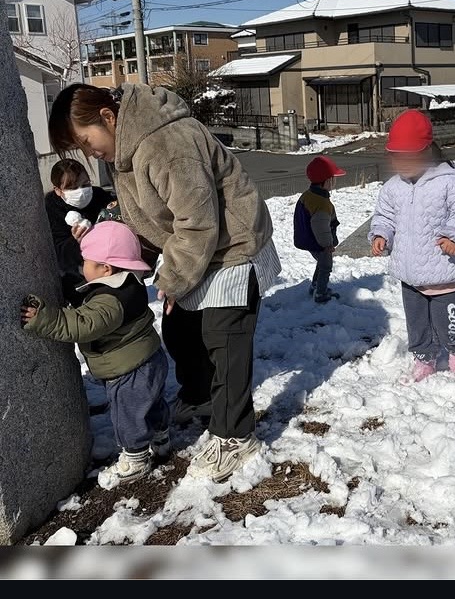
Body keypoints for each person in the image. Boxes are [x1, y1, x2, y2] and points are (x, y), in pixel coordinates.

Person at [48, 83, 281, 483]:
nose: (89, 153)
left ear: (108, 117)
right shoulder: (126, 151)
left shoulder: (167, 141)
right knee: (180, 328)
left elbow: (196, 221)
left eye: (86, 141)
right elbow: (152, 219)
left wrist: (170, 280)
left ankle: (235, 434)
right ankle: (199, 395)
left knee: (224, 338)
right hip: (197, 252)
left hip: (232, 247)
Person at [21, 221, 171, 488]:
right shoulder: (127, 282)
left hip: (128, 372)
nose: (83, 266)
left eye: (86, 262)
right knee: (151, 404)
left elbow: (83, 324)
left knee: (128, 415)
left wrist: (44, 319)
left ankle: (135, 458)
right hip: (148, 359)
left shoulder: (109, 302)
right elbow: (93, 299)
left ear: (106, 268)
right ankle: (161, 437)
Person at [369, 110, 455, 382]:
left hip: (445, 272)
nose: (403, 163)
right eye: (397, 156)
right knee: (418, 324)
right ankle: (424, 357)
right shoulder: (393, 188)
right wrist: (381, 234)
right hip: (411, 276)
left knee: (450, 322)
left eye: (410, 156)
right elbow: (384, 215)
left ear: (427, 151)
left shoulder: (449, 184)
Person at [45, 158, 112, 305]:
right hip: (79, 281)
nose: (81, 191)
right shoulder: (52, 209)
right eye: (72, 188)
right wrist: (77, 242)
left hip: (111, 269)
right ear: (58, 190)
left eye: (85, 184)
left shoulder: (100, 196)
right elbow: (58, 253)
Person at [293, 155, 345, 303]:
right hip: (319, 242)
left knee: (321, 263)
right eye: (333, 179)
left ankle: (315, 286)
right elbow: (320, 226)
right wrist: (327, 244)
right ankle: (320, 293)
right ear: (327, 181)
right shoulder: (321, 203)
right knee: (326, 266)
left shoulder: (308, 195)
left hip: (309, 239)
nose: (334, 182)